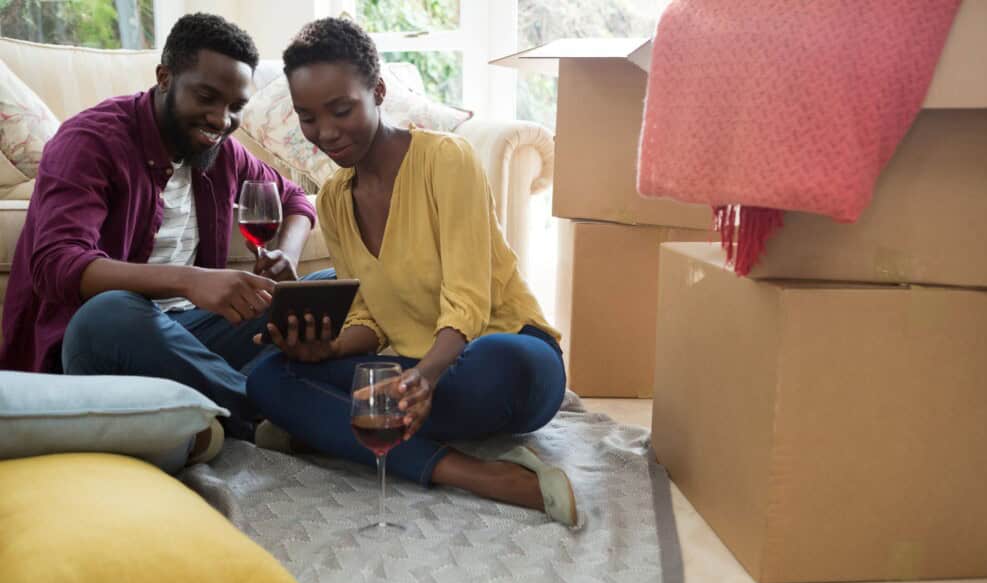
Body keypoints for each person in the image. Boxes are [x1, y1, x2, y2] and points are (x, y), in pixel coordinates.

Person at [246, 17, 577, 526]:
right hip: (412, 371)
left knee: (493, 361)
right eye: (308, 117)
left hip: (501, 358)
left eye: (341, 109)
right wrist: (327, 350)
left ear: (377, 92)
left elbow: (470, 302)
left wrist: (425, 375)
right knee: (270, 377)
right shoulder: (335, 199)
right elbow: (370, 320)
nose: (326, 133)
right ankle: (470, 470)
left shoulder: (447, 160)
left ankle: (328, 427)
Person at [0, 13, 318, 458]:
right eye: (206, 97)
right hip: (101, 344)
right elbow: (58, 264)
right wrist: (190, 280)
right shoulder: (90, 142)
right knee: (107, 313)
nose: (220, 119)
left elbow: (297, 201)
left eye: (235, 106)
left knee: (322, 289)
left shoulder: (221, 149)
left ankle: (220, 405)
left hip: (185, 337)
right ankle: (278, 411)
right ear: (165, 78)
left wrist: (286, 254)